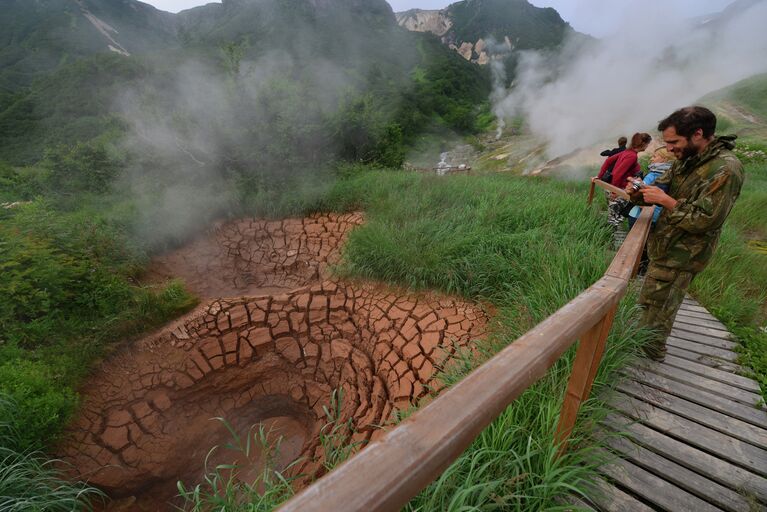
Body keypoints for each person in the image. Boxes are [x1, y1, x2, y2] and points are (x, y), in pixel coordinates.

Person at [626, 106, 744, 361]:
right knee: (649, 304)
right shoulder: (687, 160)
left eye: (674, 142)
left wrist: (666, 201)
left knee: (658, 313)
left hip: (683, 255)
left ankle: (645, 365)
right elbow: (659, 189)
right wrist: (639, 191)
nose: (669, 148)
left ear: (698, 134)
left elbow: (705, 221)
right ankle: (639, 353)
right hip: (666, 248)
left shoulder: (726, 170)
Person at [598, 132, 652, 228]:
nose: (647, 146)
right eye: (648, 144)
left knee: (614, 215)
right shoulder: (632, 156)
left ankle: (608, 235)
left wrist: (599, 176)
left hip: (614, 187)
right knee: (615, 218)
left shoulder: (626, 152)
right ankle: (610, 236)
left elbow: (608, 161)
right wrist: (615, 191)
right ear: (643, 143)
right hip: (619, 189)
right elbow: (618, 173)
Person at [627, 147, 675, 229]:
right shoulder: (674, 173)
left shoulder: (654, 174)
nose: (651, 159)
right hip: (659, 216)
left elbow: (642, 192)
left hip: (641, 215)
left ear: (664, 159)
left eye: (654, 156)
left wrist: (635, 187)